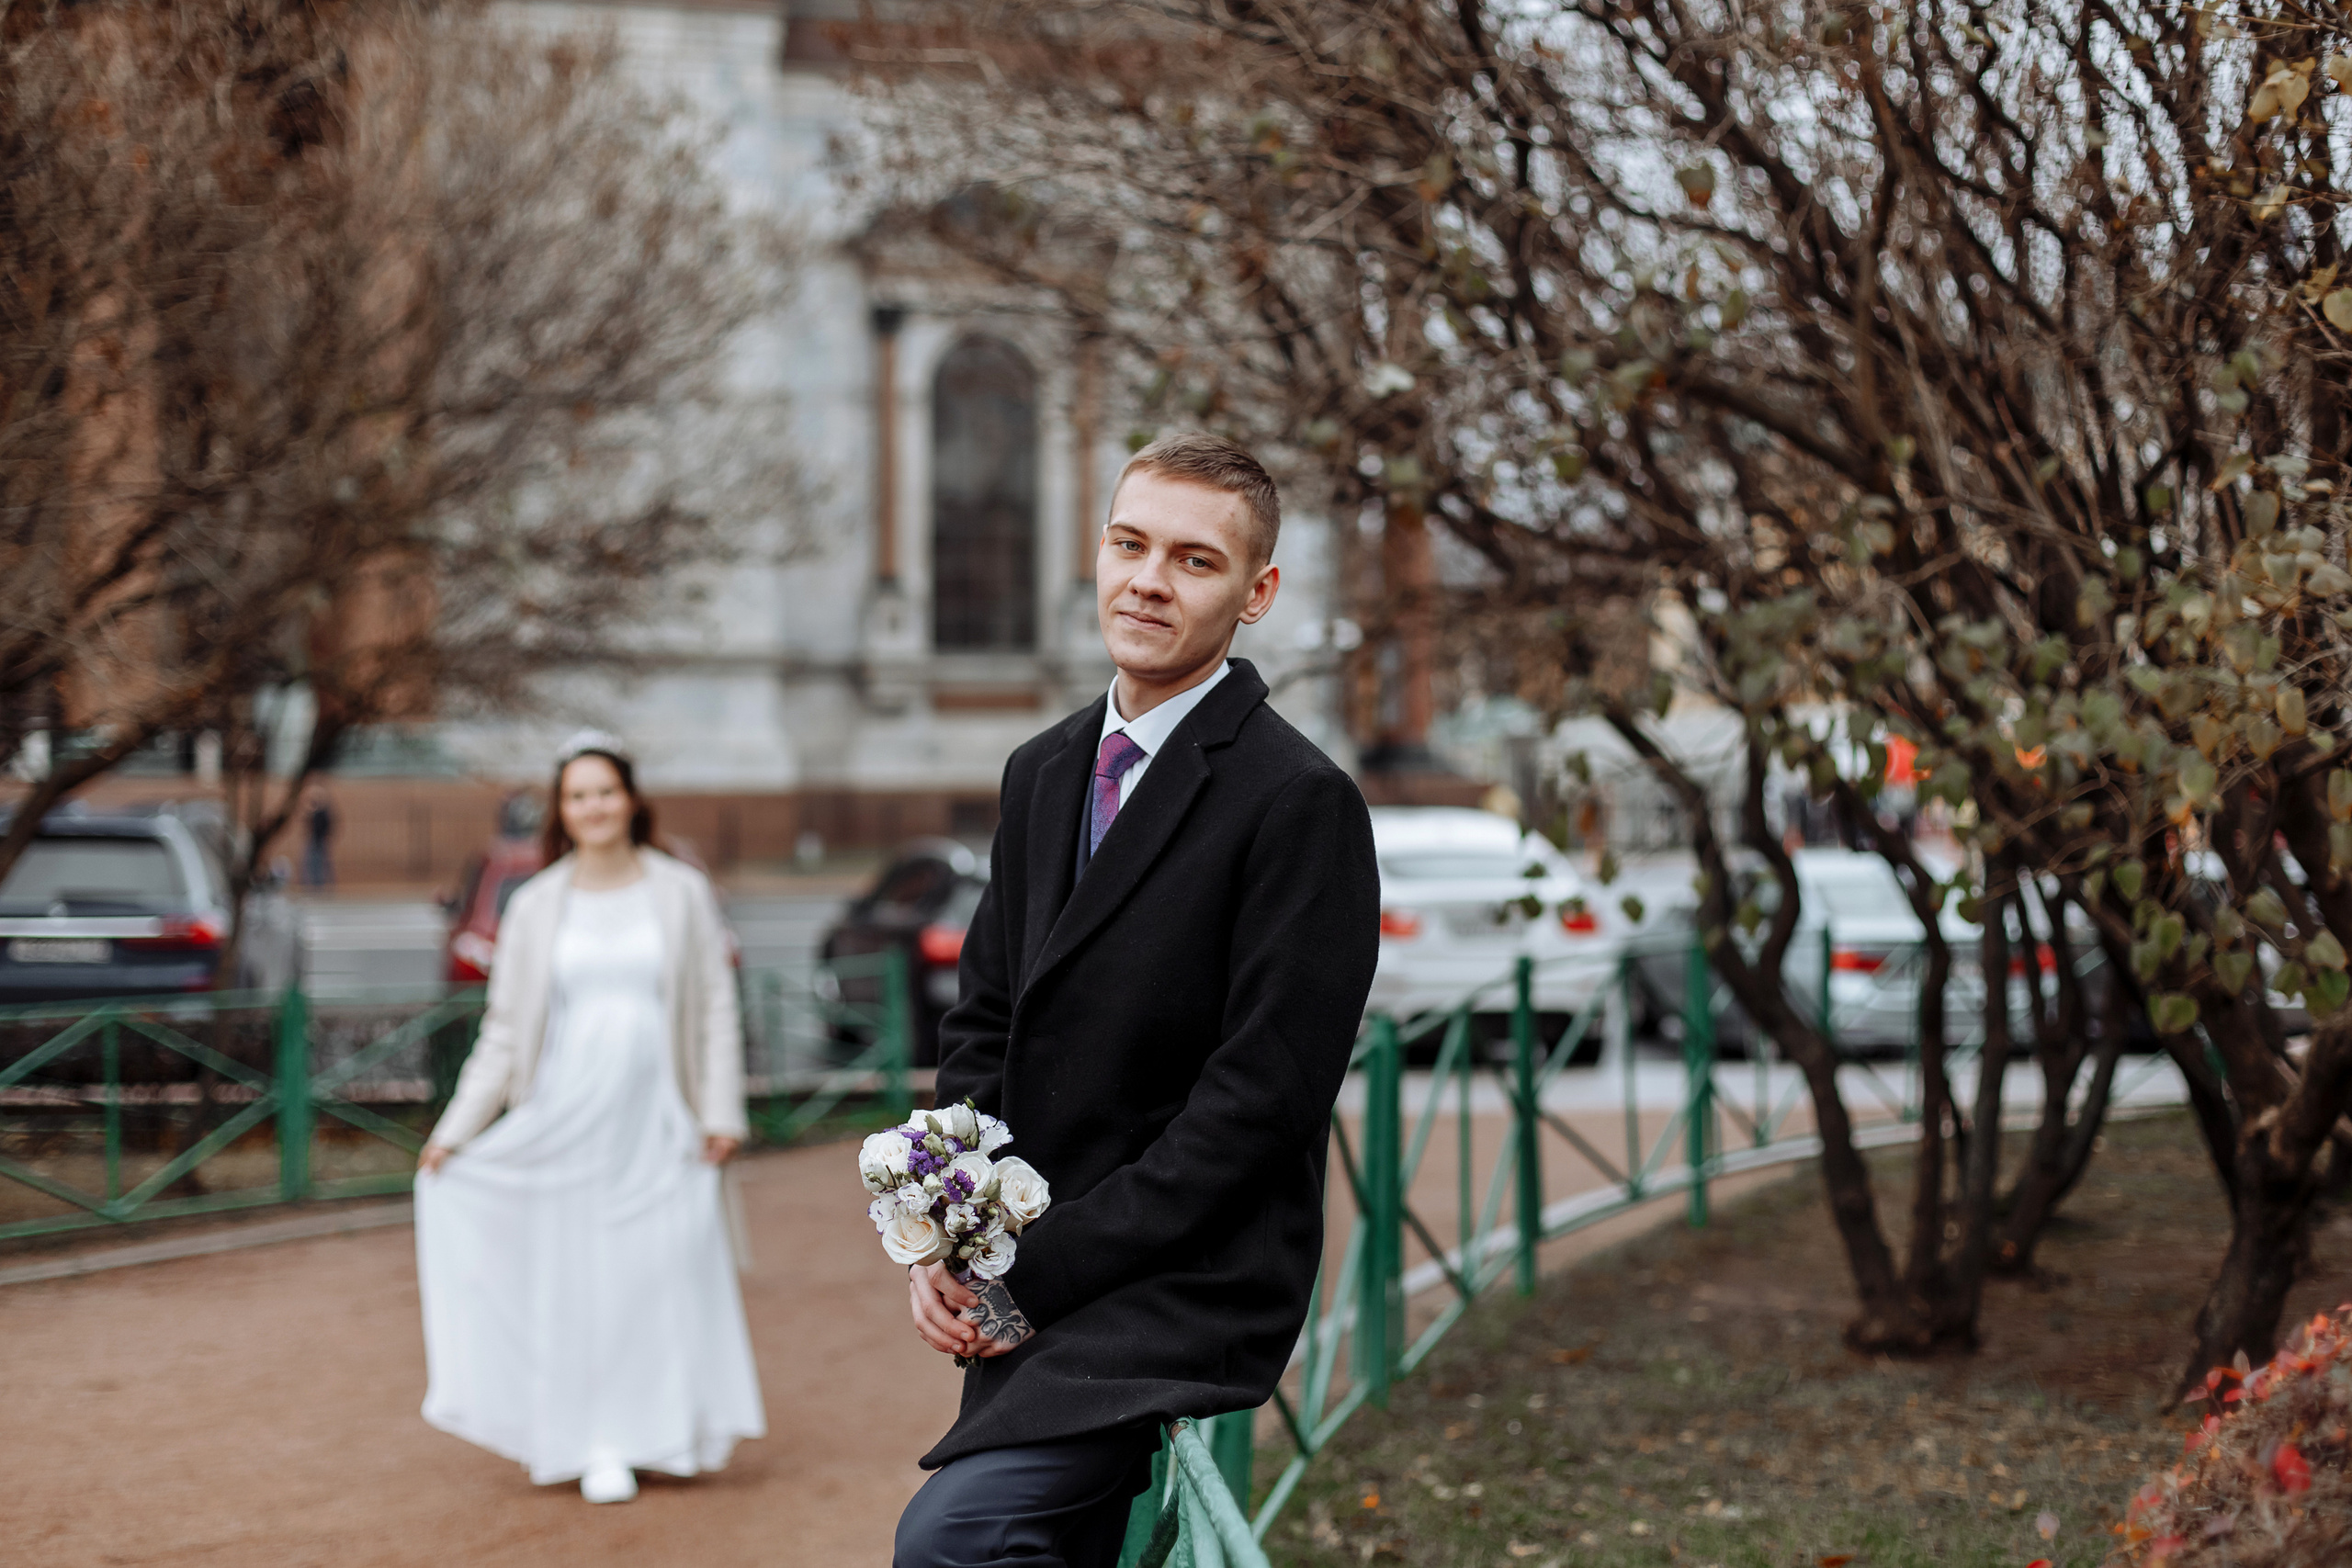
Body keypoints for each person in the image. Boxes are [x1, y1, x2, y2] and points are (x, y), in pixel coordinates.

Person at [894, 434, 1381, 1567]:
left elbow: (1258, 1108)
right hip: (1036, 1261)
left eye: (1193, 561)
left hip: (1184, 1279)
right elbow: (985, 1022)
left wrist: (1030, 1268)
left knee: (958, 1541)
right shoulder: (1045, 768)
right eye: (1129, 544)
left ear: (1256, 593)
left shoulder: (1300, 802)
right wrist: (951, 1233)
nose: (1149, 580)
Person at [413, 730, 764, 1504]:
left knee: (661, 1274)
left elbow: (712, 1005)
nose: (593, 806)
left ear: (631, 799)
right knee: (584, 1279)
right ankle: (597, 1439)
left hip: (661, 1122)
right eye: (577, 795)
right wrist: (454, 1132)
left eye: (605, 791)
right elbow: (503, 1030)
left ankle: (669, 1428)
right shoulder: (538, 903)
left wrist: (720, 1110)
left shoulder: (679, 890)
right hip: (567, 1122)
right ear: (561, 810)